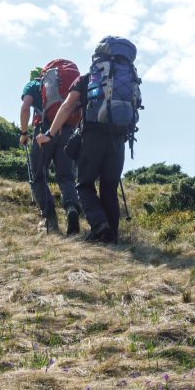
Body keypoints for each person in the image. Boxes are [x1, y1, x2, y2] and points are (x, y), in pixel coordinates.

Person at [37, 37, 139, 245]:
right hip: (119, 138)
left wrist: (50, 134)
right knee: (109, 187)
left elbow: (66, 107)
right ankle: (112, 236)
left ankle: (100, 227)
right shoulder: (128, 79)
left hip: (92, 137)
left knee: (84, 185)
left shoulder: (86, 79)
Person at [20, 64, 81, 235]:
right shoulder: (65, 85)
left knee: (39, 175)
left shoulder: (32, 85)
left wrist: (24, 133)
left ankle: (50, 219)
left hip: (43, 132)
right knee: (67, 176)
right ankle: (71, 208)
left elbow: (25, 108)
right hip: (68, 130)